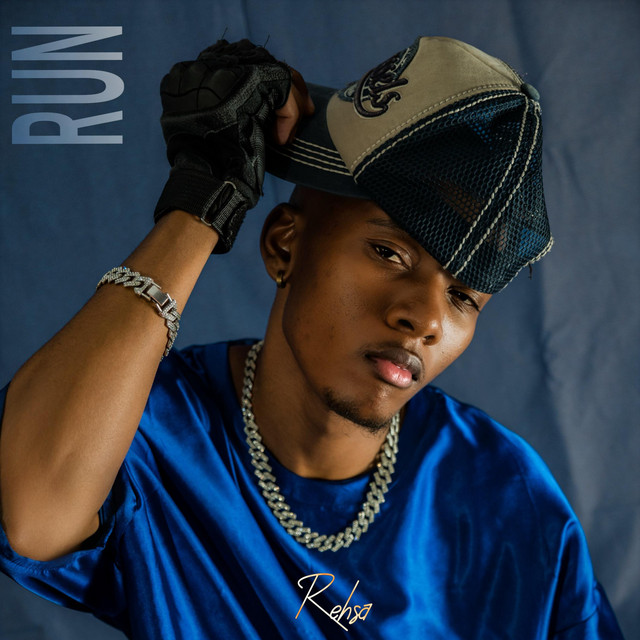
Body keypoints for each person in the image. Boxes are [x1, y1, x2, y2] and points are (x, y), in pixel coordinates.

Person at [0, 36, 624, 639]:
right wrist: (200, 202)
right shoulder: (152, 433)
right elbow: (33, 520)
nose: (426, 318)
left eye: (463, 296)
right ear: (284, 246)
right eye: (390, 252)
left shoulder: (506, 499)